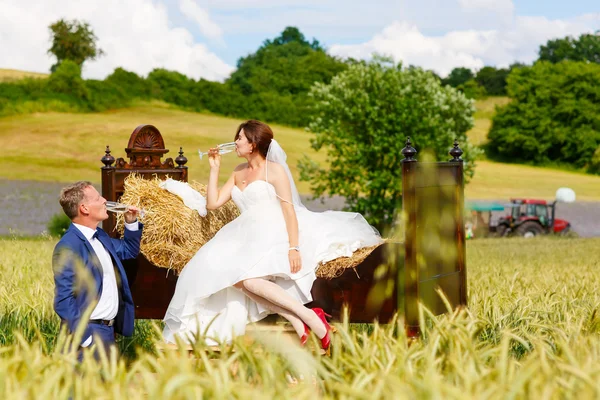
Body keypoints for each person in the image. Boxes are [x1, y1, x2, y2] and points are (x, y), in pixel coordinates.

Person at [163, 120, 382, 351]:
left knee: (247, 280)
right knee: (235, 278)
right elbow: (213, 203)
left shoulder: (275, 171)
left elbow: (288, 210)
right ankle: (303, 318)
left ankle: (306, 318)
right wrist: (214, 169)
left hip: (274, 230)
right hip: (245, 234)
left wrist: (294, 247)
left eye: (240, 138)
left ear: (253, 144)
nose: (235, 142)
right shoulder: (238, 172)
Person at [52, 181, 142, 357]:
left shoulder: (100, 236)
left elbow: (128, 250)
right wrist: (86, 339)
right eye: (98, 198)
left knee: (106, 385)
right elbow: (63, 300)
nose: (104, 200)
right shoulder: (68, 246)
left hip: (108, 333)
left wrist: (131, 223)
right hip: (87, 337)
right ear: (84, 208)